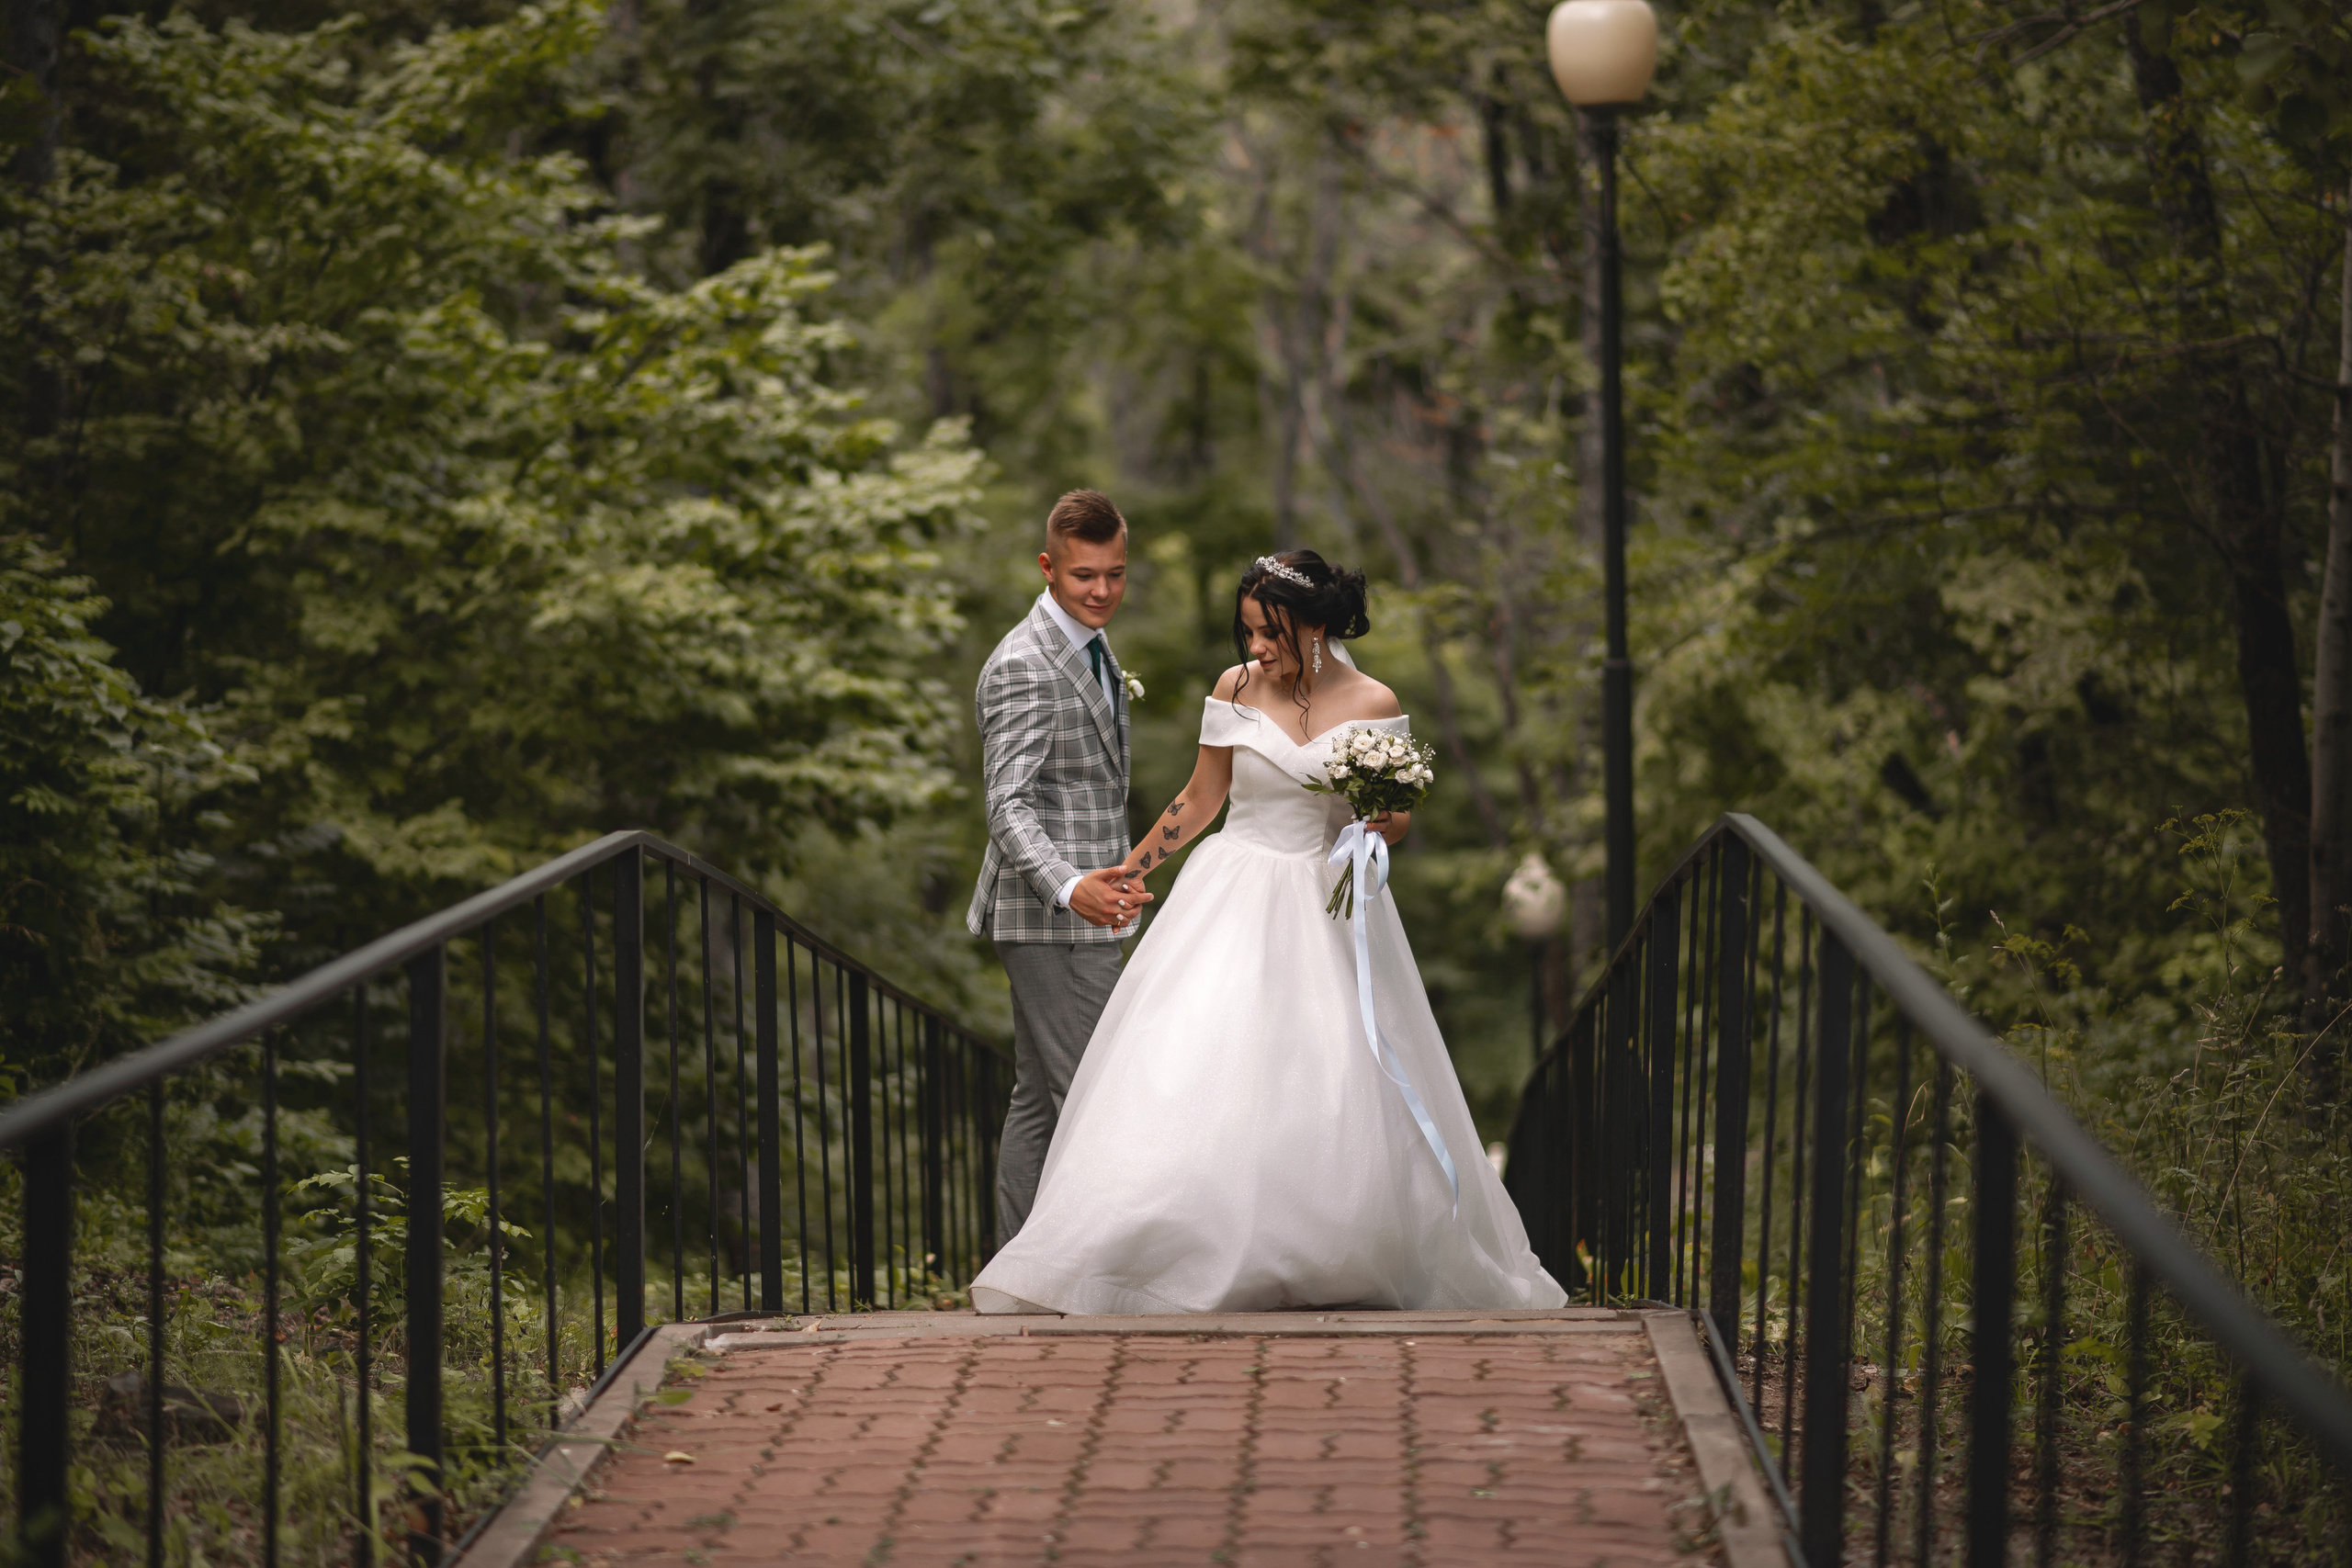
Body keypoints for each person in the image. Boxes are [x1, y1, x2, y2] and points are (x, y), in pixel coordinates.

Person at [971, 550, 1564, 1314]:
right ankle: (1173, 1241)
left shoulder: (1373, 701)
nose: (1256, 649)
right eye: (1248, 632)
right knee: (1196, 1067)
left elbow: (1396, 817)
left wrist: (1382, 820)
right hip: (1231, 889)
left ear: (1315, 626)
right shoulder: (1236, 688)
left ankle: (1322, 1244)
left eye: (1270, 634)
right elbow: (1200, 796)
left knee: (1328, 1073)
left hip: (1323, 900)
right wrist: (1130, 866)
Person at [966, 490, 1153, 1243]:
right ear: (1048, 568)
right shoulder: (1026, 662)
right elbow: (1007, 804)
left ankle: (1019, 1269)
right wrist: (1072, 885)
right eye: (1084, 576)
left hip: (1088, 907)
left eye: (1115, 573)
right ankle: (1090, 1269)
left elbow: (1090, 786)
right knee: (1095, 1096)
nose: (1102, 590)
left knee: (1041, 1101)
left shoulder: (1090, 641)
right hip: (1051, 916)